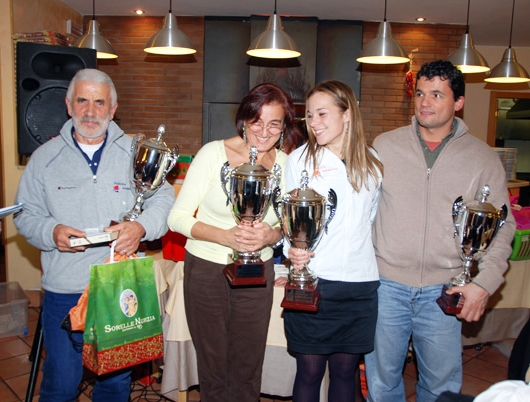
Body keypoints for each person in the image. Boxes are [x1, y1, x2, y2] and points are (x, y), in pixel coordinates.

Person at [14, 68, 175, 402]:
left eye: (99, 102)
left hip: (120, 286)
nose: (90, 111)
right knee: (61, 382)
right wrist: (50, 231)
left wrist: (141, 226)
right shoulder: (44, 159)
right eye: (82, 101)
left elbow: (164, 198)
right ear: (68, 105)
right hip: (64, 289)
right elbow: (25, 214)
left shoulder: (137, 151)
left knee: (115, 384)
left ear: (112, 109)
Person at [364, 60, 516, 402]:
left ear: (458, 103)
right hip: (387, 285)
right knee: (381, 381)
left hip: (445, 290)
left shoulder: (482, 158)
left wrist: (484, 283)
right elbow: (362, 210)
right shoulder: (385, 145)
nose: (425, 102)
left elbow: (502, 227)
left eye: (436, 94)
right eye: (420, 93)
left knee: (441, 386)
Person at [167, 83, 302, 402]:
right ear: (244, 119)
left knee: (247, 365)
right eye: (257, 121)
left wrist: (272, 235)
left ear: (284, 126)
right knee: (213, 366)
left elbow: (290, 222)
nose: (264, 131)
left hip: (258, 272)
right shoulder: (213, 153)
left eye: (274, 123)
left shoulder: (287, 165)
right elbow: (178, 217)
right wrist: (226, 236)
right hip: (206, 270)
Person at [283, 80, 383, 402]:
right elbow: (288, 221)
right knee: (309, 372)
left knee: (345, 372)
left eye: (322, 114)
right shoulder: (299, 160)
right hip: (315, 281)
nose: (313, 123)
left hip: (359, 284)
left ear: (348, 114)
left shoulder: (373, 163)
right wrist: (292, 251)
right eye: (309, 116)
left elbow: (370, 220)